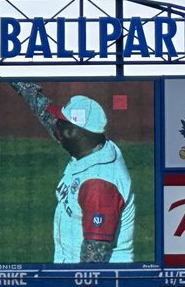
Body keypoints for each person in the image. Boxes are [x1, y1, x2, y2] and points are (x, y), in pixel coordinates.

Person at [9, 82, 135, 263]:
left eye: (63, 124)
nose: (56, 126)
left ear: (80, 134)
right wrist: (21, 84)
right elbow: (46, 114)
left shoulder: (99, 186)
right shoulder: (91, 146)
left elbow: (93, 264)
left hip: (89, 282)